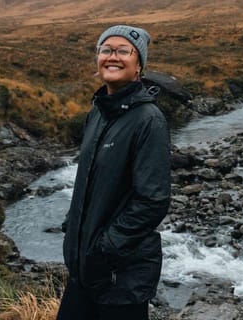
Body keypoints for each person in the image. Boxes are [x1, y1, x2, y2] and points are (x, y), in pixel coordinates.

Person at [58, 25, 171, 320]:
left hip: (120, 277)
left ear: (138, 66)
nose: (113, 57)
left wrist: (103, 250)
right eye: (106, 50)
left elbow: (153, 201)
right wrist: (73, 229)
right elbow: (88, 184)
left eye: (123, 51)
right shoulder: (97, 112)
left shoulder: (149, 120)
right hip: (85, 270)